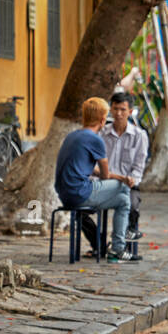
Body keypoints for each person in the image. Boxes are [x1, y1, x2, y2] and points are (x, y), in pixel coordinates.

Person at [54, 97, 133, 262]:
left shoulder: (73, 136)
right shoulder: (95, 139)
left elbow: (92, 170)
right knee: (124, 190)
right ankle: (121, 243)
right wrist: (123, 180)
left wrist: (122, 177)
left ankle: (117, 246)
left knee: (123, 200)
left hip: (64, 194)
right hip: (80, 193)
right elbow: (104, 175)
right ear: (103, 119)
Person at [99, 91, 148, 254]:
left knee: (133, 206)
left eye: (123, 109)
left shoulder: (139, 136)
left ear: (130, 111)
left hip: (128, 185)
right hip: (104, 184)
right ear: (110, 110)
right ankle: (98, 246)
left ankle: (125, 244)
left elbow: (139, 166)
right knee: (81, 209)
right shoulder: (101, 133)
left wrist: (132, 179)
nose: (119, 114)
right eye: (115, 109)